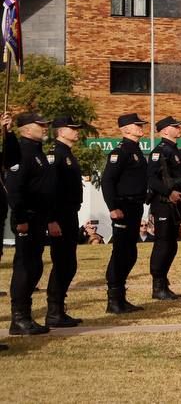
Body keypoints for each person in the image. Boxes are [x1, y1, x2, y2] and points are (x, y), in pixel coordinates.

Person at [7, 112, 54, 335]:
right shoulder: (21, 151)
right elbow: (15, 189)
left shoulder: (37, 152)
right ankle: (18, 318)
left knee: (35, 266)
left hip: (39, 218)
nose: (44, 128)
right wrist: (21, 218)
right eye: (40, 125)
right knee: (25, 267)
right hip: (28, 217)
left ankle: (26, 315)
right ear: (26, 129)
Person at [102, 112, 150, 314]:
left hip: (135, 207)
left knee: (130, 252)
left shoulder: (136, 150)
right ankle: (114, 299)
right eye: (136, 125)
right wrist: (113, 207)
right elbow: (107, 181)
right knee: (121, 252)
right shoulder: (120, 152)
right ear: (125, 129)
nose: (141, 127)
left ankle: (121, 297)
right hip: (123, 208)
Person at [46, 115, 84, 328]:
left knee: (68, 264)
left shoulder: (67, 153)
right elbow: (50, 190)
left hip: (69, 213)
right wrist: (51, 220)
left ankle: (59, 309)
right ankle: (53, 312)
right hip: (59, 216)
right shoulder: (56, 155)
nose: (76, 131)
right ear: (61, 131)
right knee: (62, 264)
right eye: (72, 128)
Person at [147, 116, 181, 301]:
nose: (179, 128)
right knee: (163, 244)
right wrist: (169, 191)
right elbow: (151, 179)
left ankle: (163, 283)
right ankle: (158, 286)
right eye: (175, 126)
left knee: (171, 245)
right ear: (164, 130)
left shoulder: (173, 150)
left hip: (174, 204)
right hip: (163, 204)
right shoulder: (160, 151)